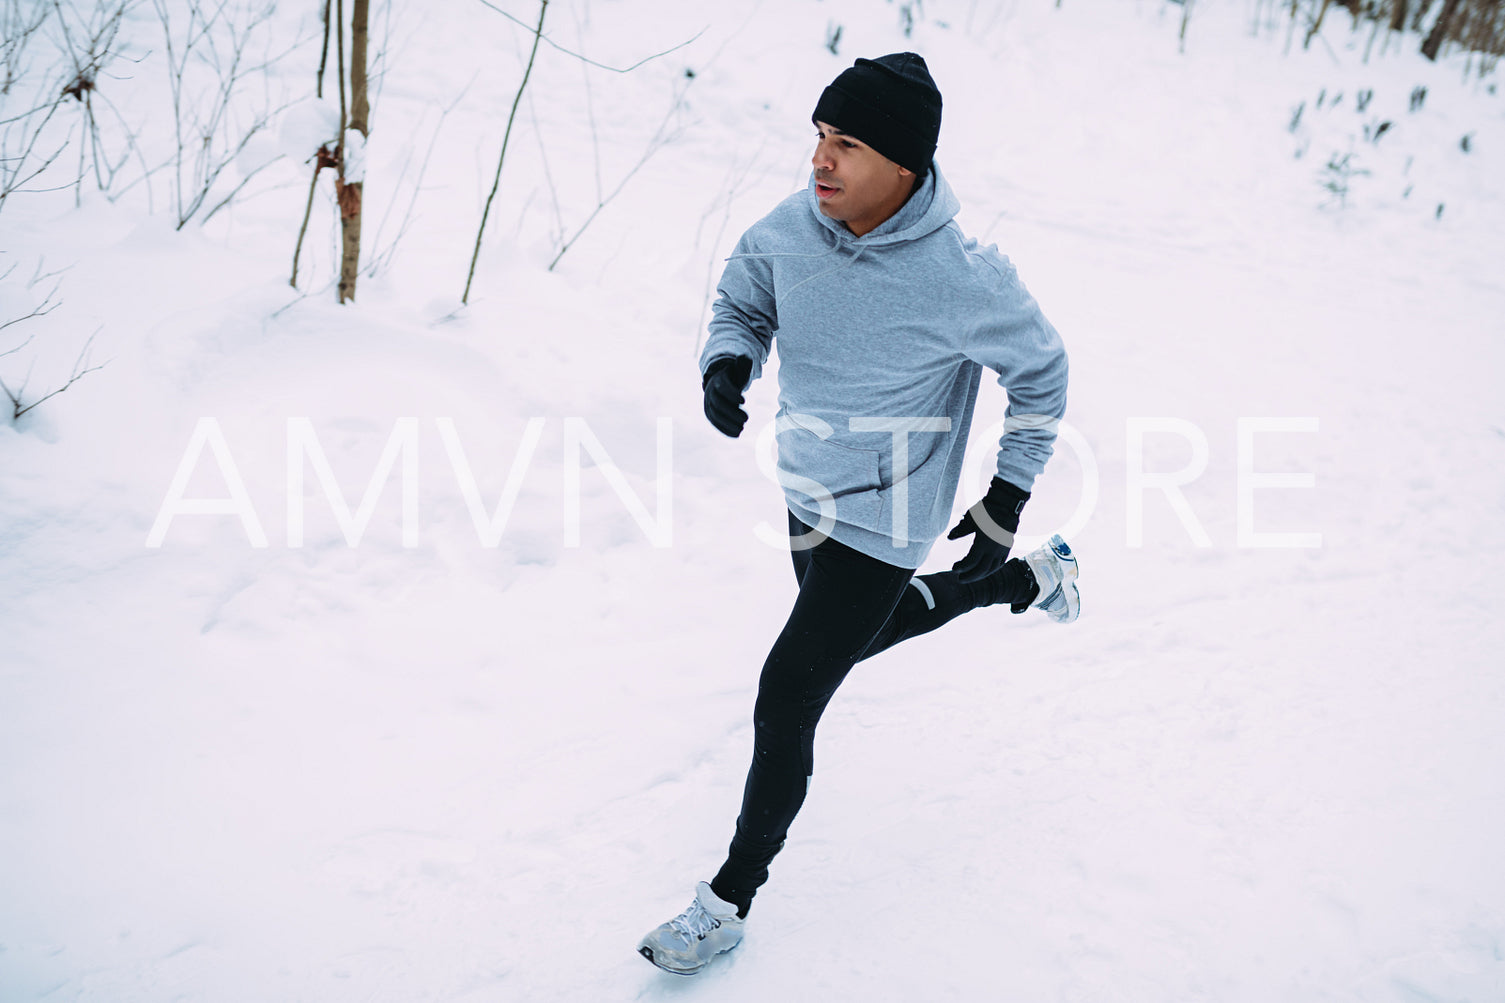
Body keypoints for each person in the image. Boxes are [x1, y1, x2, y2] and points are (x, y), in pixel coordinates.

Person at [636, 52, 1078, 976]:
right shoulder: (790, 227)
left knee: (789, 690)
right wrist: (727, 362)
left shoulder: (965, 277)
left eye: (846, 144)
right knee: (850, 646)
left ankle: (727, 898)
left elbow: (1042, 373)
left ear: (904, 167)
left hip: (889, 513)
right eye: (818, 139)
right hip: (804, 484)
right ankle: (1025, 579)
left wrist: (1006, 491)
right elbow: (742, 300)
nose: (820, 162)